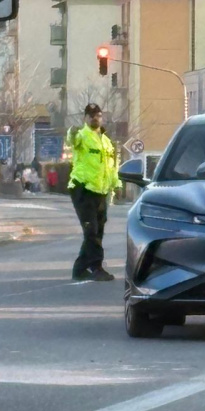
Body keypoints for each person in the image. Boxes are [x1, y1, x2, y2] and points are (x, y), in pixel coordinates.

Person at [66, 103, 121, 281]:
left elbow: (111, 167)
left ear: (101, 117)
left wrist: (116, 185)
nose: (94, 118)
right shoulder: (82, 135)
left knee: (97, 231)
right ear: (85, 118)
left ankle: (80, 269)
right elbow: (72, 140)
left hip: (100, 191)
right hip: (83, 189)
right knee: (91, 230)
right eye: (91, 116)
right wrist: (71, 133)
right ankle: (96, 267)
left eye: (97, 115)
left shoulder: (106, 141)